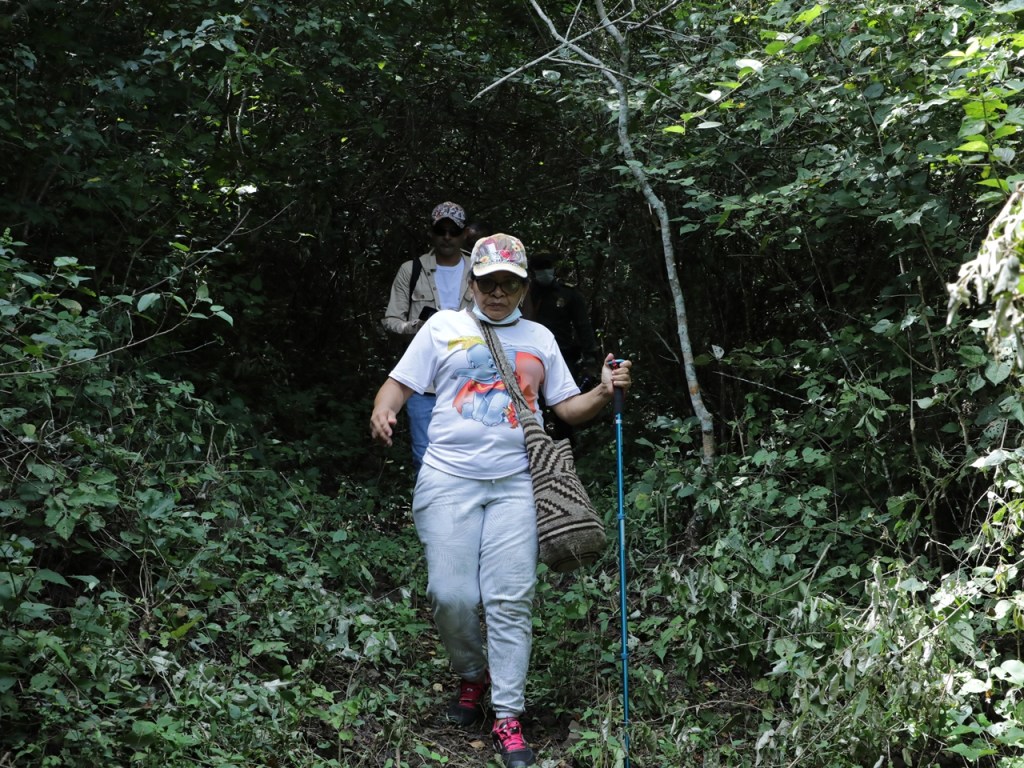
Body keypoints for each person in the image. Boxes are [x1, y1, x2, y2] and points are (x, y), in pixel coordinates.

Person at [369, 234, 633, 768]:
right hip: (448, 479)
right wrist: (384, 410)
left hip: (518, 483)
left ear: (521, 286)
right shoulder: (443, 327)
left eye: (508, 284)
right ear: (473, 282)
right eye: (488, 283)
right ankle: (472, 675)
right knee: (451, 595)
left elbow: (566, 409)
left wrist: (605, 390)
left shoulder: (539, 336)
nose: (497, 293)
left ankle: (508, 713)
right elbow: (398, 383)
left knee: (511, 599)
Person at [381, 201, 474, 471]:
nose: (447, 237)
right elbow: (390, 319)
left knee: (468, 453)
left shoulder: (479, 271)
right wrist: (415, 328)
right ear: (431, 232)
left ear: (464, 233)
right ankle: (430, 510)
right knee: (424, 455)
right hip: (423, 381)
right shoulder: (411, 270)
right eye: (440, 230)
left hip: (469, 379)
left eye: (453, 231)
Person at [522, 249, 604, 441]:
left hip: (564, 357)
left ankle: (568, 450)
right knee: (534, 405)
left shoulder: (568, 294)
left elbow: (583, 325)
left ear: (553, 268)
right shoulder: (526, 294)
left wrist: (591, 357)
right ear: (533, 270)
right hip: (531, 358)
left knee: (565, 406)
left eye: (547, 266)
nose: (544, 271)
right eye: (540, 267)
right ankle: (537, 446)